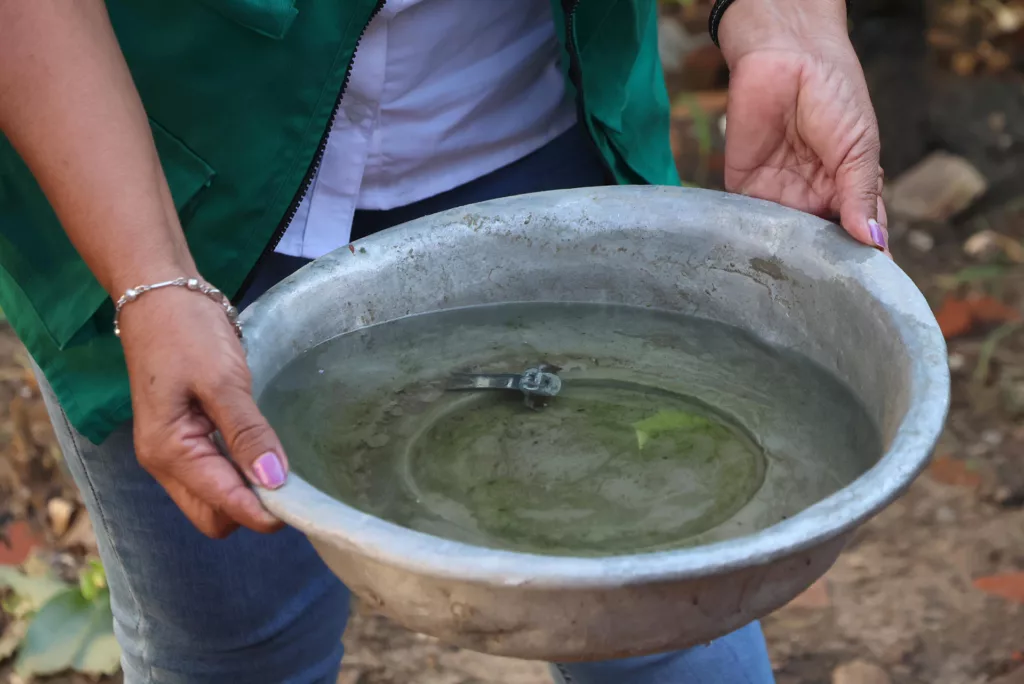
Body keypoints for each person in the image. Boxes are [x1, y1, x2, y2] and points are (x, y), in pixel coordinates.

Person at [0, 0, 886, 682]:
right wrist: (149, 278)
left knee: (674, 625)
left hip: (544, 139)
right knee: (236, 645)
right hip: (162, 186)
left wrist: (789, 26)